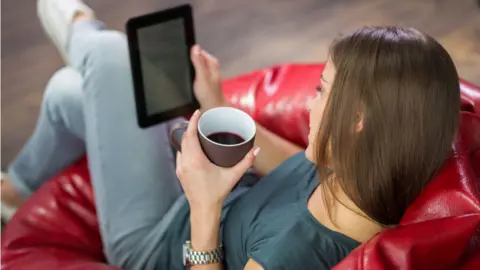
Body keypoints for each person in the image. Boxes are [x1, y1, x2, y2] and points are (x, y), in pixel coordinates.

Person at [0, 0, 460, 269]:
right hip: (196, 198)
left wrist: (205, 203)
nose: (312, 102)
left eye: (322, 89)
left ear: (358, 118)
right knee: (69, 93)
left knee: (106, 57)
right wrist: (215, 104)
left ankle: (80, 28)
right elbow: (289, 164)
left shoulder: (293, 253)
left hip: (156, 240)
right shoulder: (365, 171)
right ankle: (14, 193)